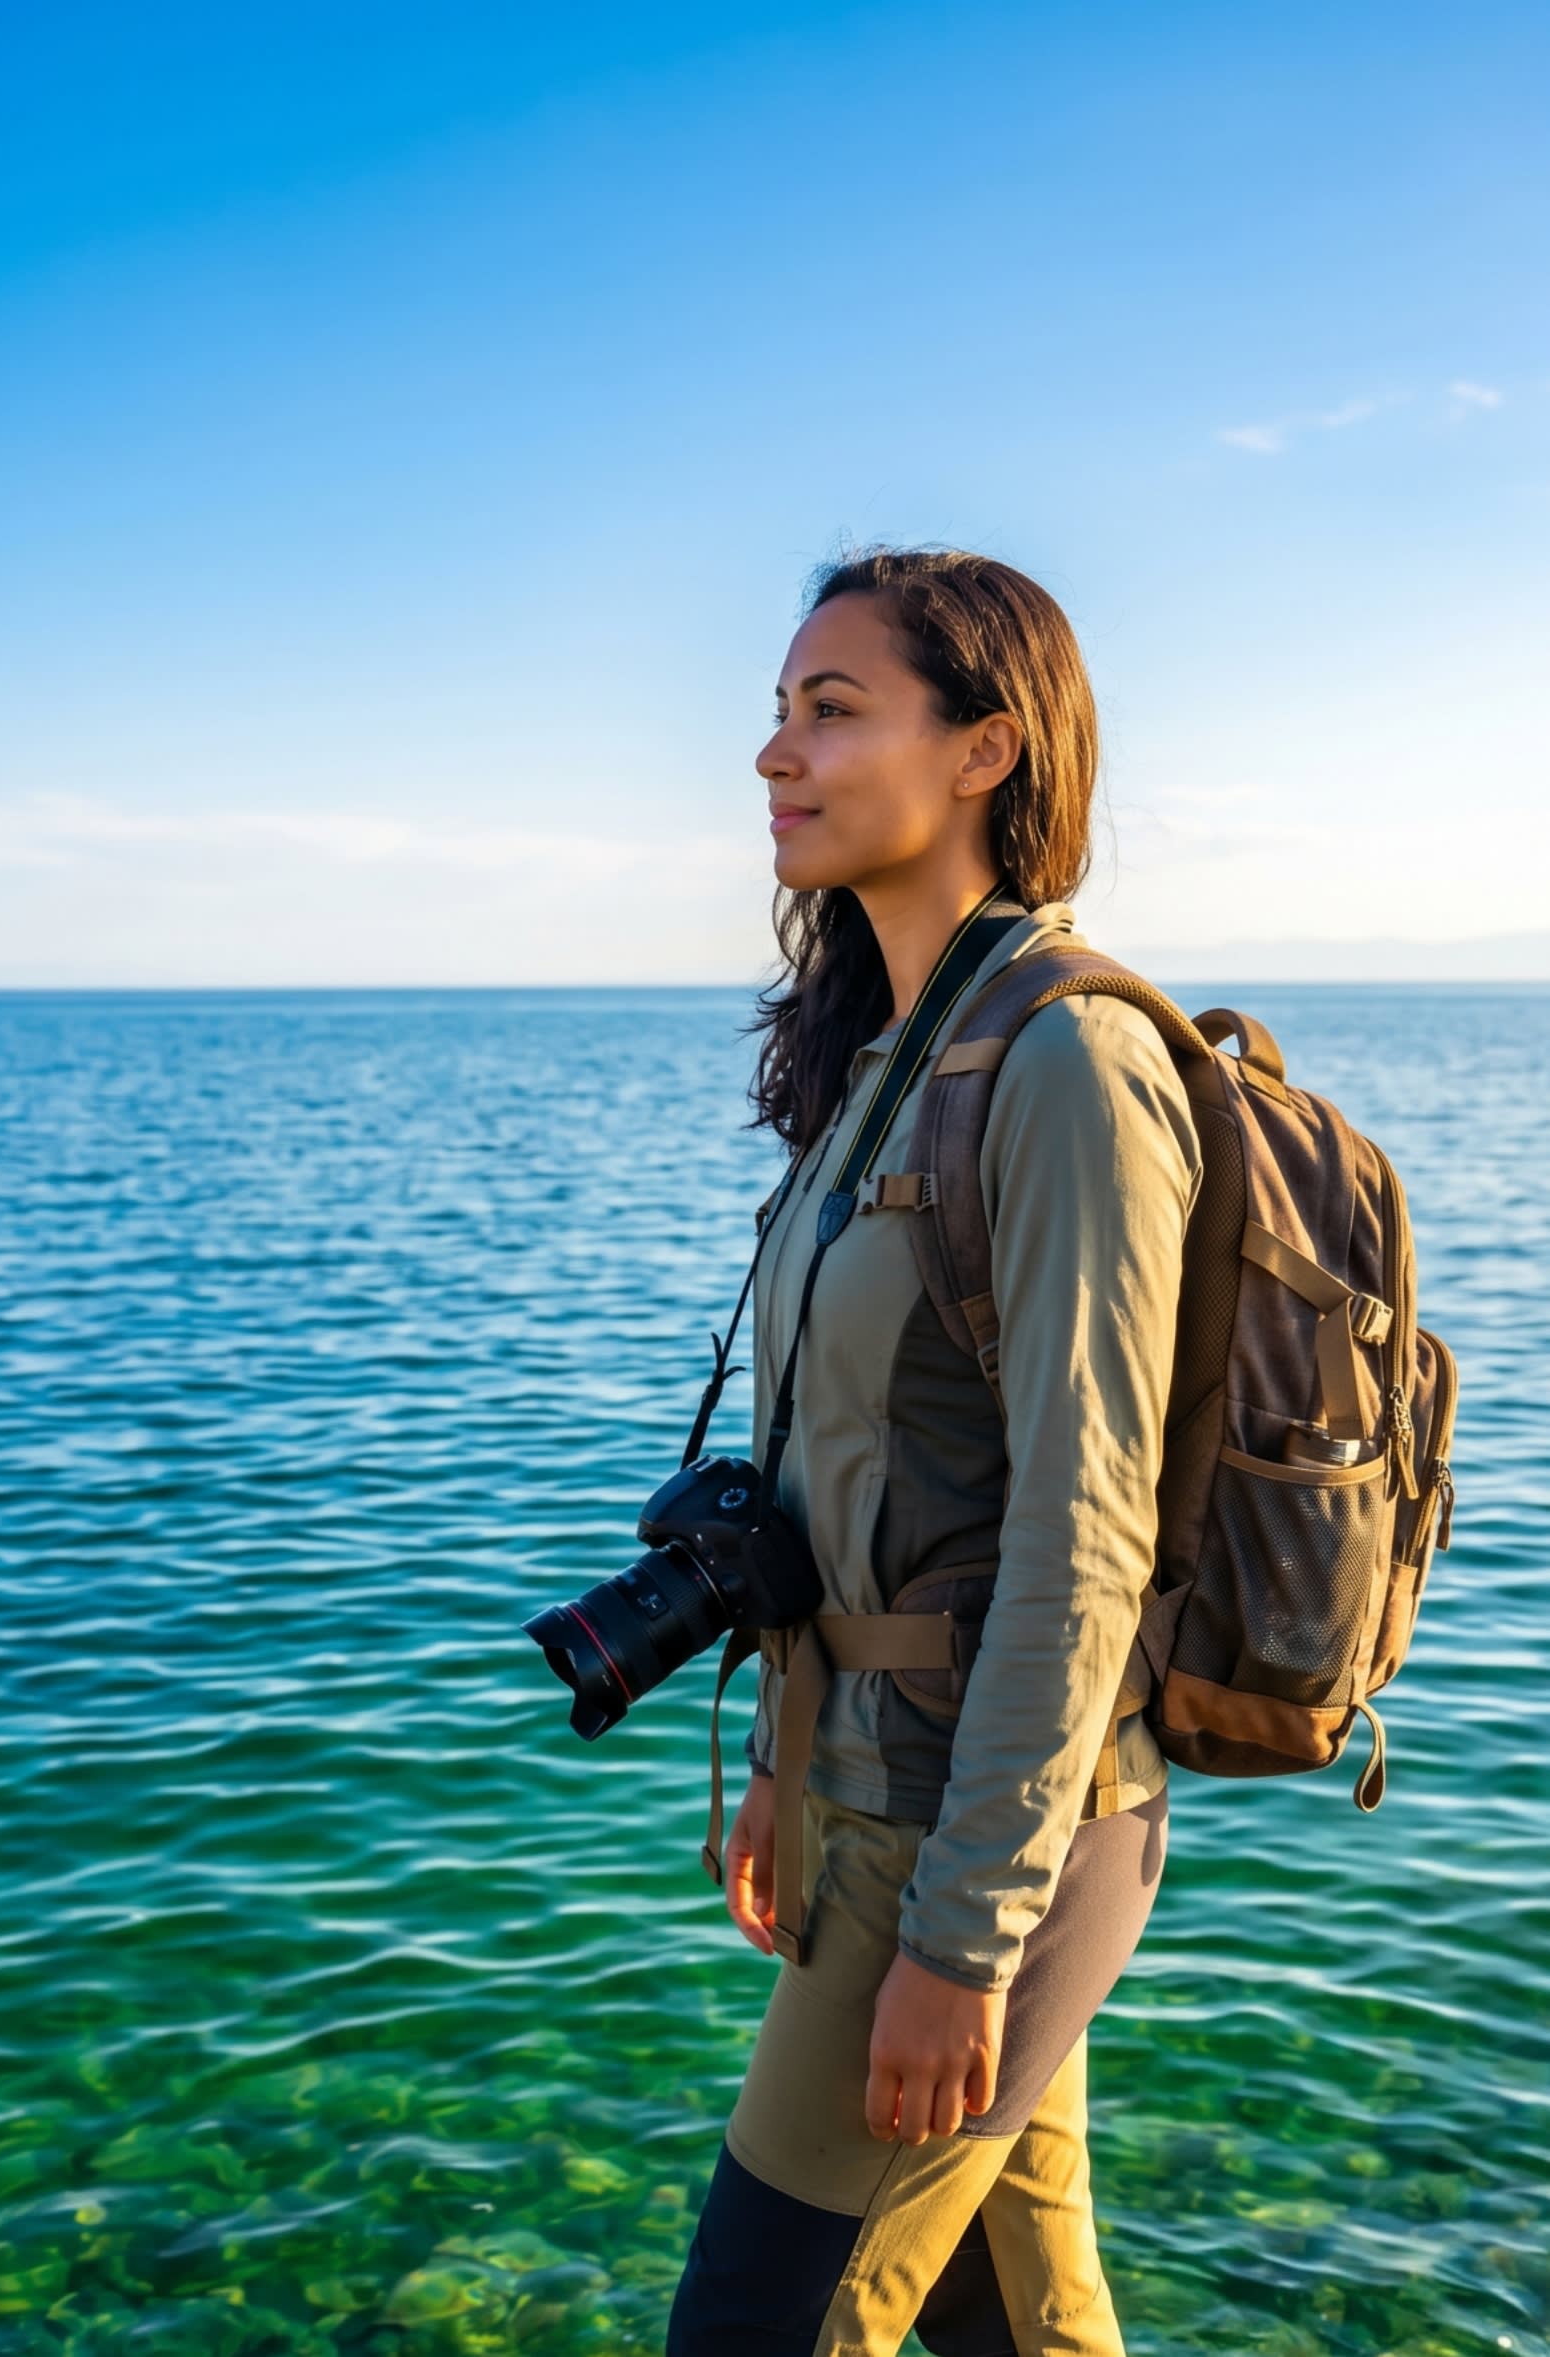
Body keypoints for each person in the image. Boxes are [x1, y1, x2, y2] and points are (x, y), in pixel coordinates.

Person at [665, 547, 1203, 2357]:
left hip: (985, 1843)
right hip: (874, 1794)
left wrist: (965, 1933)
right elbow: (856, 1495)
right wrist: (781, 1767)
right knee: (1014, 2337)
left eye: (834, 709)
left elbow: (1084, 1527)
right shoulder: (894, 1057)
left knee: (758, 2334)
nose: (775, 753)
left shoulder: (1066, 1057)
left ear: (984, 750)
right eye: (777, 711)